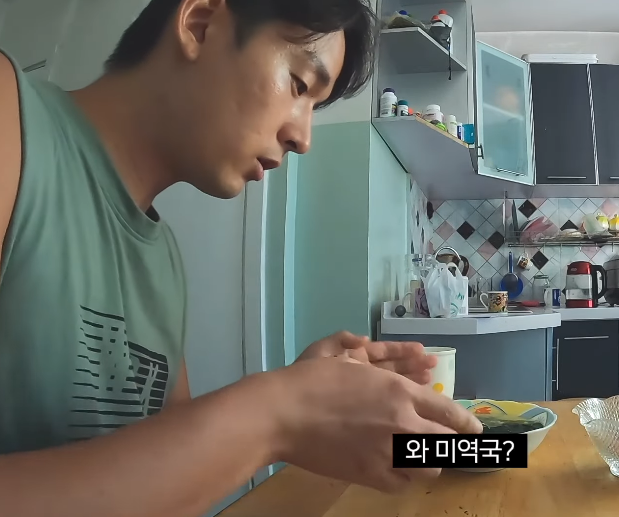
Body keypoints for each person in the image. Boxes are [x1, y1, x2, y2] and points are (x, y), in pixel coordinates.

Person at [0, 1, 481, 515]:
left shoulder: (163, 261)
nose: (303, 138)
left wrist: (303, 401)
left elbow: (168, 485)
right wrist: (275, 416)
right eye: (299, 84)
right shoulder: (12, 119)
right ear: (200, 24)